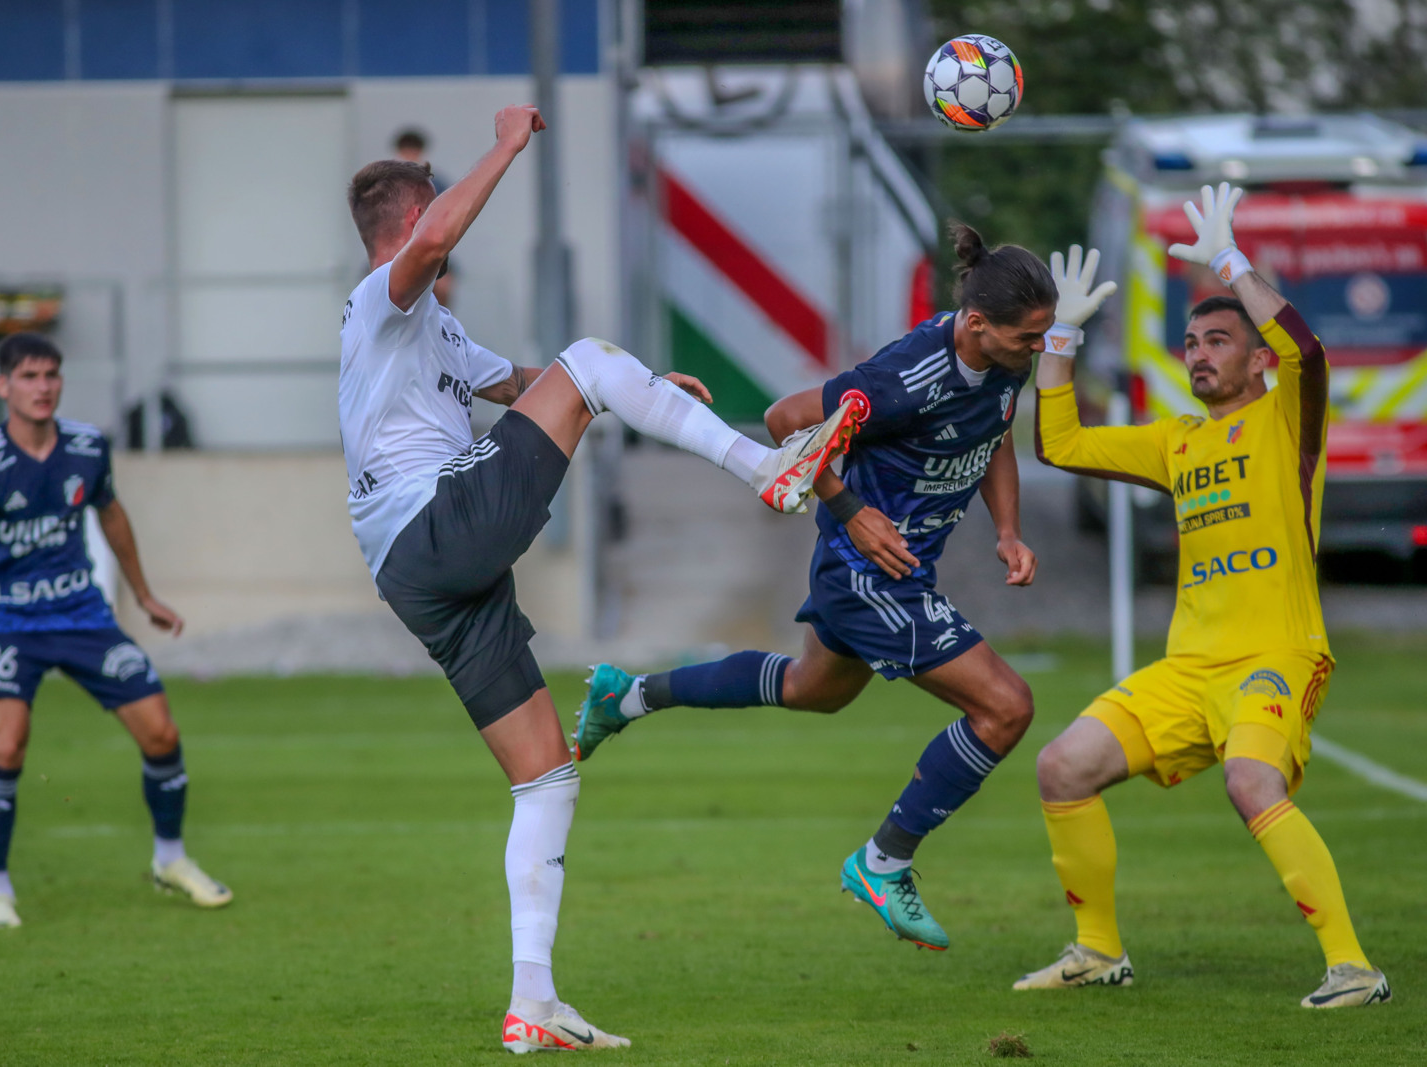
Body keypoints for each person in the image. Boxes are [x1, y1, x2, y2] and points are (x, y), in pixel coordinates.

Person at [340, 104, 861, 1053]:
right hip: (433, 522)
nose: (447, 246)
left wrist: (643, 388)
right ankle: (769, 472)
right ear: (409, 228)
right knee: (591, 357)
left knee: (546, 777)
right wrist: (502, 142)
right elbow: (449, 243)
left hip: (416, 569)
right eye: (433, 224)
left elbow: (531, 383)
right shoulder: (384, 295)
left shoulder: (436, 333)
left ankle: (532, 1004)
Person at [574, 222, 1061, 953]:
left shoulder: (1004, 358)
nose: (1040, 349)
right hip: (868, 572)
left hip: (896, 568)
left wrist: (1007, 532)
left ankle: (627, 695)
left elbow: (993, 437)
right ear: (978, 323)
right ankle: (883, 860)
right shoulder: (904, 377)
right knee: (1005, 707)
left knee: (814, 689)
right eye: (1031, 337)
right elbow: (785, 420)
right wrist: (852, 511)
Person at [1019, 183, 1389, 1009]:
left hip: (1275, 655)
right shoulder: (1174, 441)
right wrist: (1063, 338)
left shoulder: (1288, 415)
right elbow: (1057, 440)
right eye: (1189, 342)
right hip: (1188, 669)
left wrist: (1230, 260)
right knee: (1062, 765)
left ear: (1257, 361)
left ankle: (1354, 967)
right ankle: (1097, 950)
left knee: (1253, 782)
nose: (1196, 354)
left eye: (1216, 340)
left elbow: (1307, 348)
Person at [0, 333, 232, 930]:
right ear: (3, 386)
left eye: (51, 375)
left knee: (161, 732)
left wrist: (142, 594)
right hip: (7, 624)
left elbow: (110, 512)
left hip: (82, 616)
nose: (42, 387)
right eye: (29, 377)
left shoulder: (87, 447)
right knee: (6, 744)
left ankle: (170, 860)